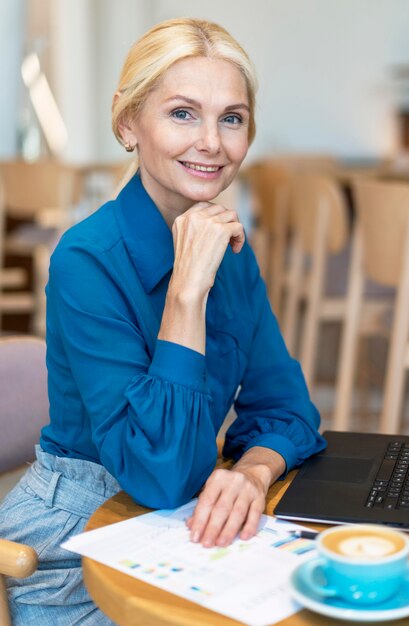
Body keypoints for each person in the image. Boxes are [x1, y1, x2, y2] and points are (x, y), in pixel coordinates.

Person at [0, 17, 325, 625]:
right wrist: (187, 290)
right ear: (129, 124)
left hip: (177, 523)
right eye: (182, 113)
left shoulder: (230, 248)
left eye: (231, 118)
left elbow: (289, 409)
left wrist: (253, 471)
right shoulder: (86, 260)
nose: (211, 142)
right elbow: (159, 473)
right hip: (69, 544)